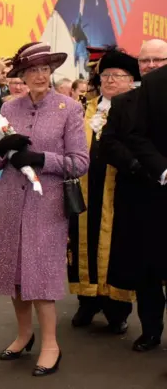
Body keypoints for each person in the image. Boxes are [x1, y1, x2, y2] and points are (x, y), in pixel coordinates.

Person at [0, 42, 89, 377]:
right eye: (32, 70)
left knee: (41, 277)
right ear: (22, 75)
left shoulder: (69, 109)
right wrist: (2, 148)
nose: (40, 75)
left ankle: (51, 345)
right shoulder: (8, 108)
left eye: (45, 69)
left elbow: (80, 163)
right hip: (11, 203)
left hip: (47, 205)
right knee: (15, 275)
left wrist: (42, 159)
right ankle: (23, 334)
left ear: (51, 72)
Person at [67, 48, 140, 334]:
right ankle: (87, 300)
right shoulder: (84, 107)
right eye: (106, 75)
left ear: (131, 80)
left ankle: (117, 308)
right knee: (82, 242)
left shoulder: (136, 109)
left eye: (118, 76)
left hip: (118, 191)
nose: (110, 81)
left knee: (117, 248)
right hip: (85, 189)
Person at [111, 39, 167, 351]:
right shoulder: (123, 103)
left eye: (157, 59)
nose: (150, 65)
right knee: (146, 271)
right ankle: (150, 330)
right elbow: (114, 144)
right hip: (140, 197)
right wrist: (149, 169)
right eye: (144, 60)